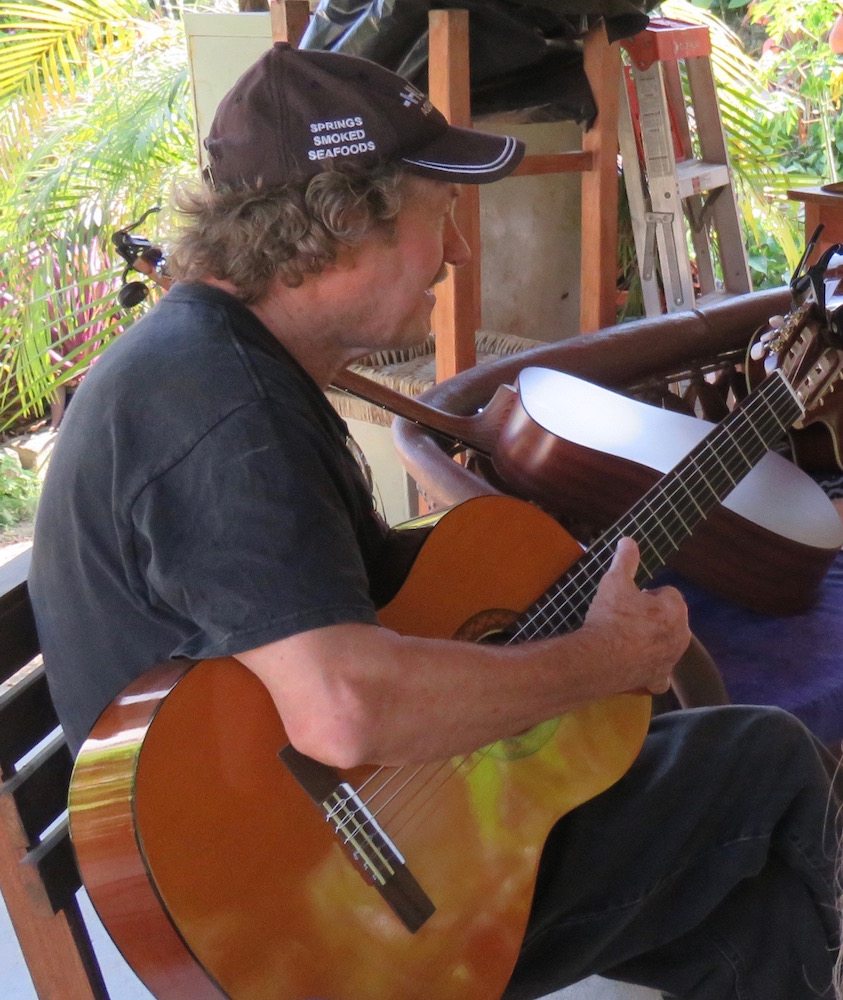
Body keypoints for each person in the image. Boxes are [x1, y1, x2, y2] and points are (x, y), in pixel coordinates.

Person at [29, 42, 840, 1000]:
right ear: (339, 225)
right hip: (320, 919)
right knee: (763, 764)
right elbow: (344, 711)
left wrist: (539, 587)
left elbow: (347, 617)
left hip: (352, 841)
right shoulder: (222, 409)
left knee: (739, 890)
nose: (458, 252)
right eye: (439, 214)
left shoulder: (219, 365)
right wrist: (601, 659)